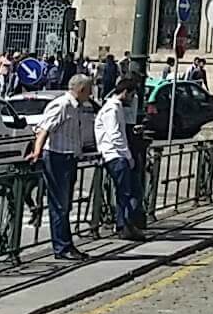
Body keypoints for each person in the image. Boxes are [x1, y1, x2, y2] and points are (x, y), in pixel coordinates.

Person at [28, 74, 95, 260]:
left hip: (69, 157)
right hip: (57, 157)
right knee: (60, 204)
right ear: (81, 90)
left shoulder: (75, 107)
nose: (91, 94)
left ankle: (67, 245)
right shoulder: (62, 105)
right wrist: (37, 151)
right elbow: (44, 129)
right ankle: (62, 247)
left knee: (64, 205)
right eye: (89, 90)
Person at [96, 77, 146, 242]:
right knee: (124, 192)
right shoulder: (112, 109)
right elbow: (115, 135)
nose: (133, 99)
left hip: (118, 155)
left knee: (128, 191)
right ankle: (123, 225)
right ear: (125, 92)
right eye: (132, 95)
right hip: (115, 156)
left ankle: (128, 224)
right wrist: (128, 156)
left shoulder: (116, 107)